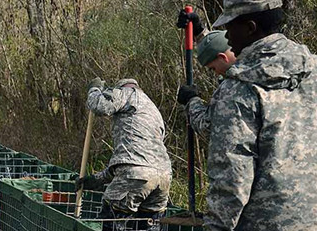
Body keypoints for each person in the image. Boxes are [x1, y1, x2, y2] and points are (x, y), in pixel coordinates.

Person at [196, 0, 317, 231]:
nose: (227, 38)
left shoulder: (238, 88)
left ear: (250, 28)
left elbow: (232, 175)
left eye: (231, 28)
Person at [83, 78, 172, 220]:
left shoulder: (127, 93)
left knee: (110, 223)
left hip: (136, 174)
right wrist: (96, 179)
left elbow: (101, 106)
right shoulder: (153, 110)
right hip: (163, 177)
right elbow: (138, 162)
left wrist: (94, 90)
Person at [176, 30, 237, 136]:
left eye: (213, 68)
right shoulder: (256, 63)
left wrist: (192, 101)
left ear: (223, 57)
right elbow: (217, 43)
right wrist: (200, 32)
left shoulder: (232, 88)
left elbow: (209, 127)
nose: (217, 73)